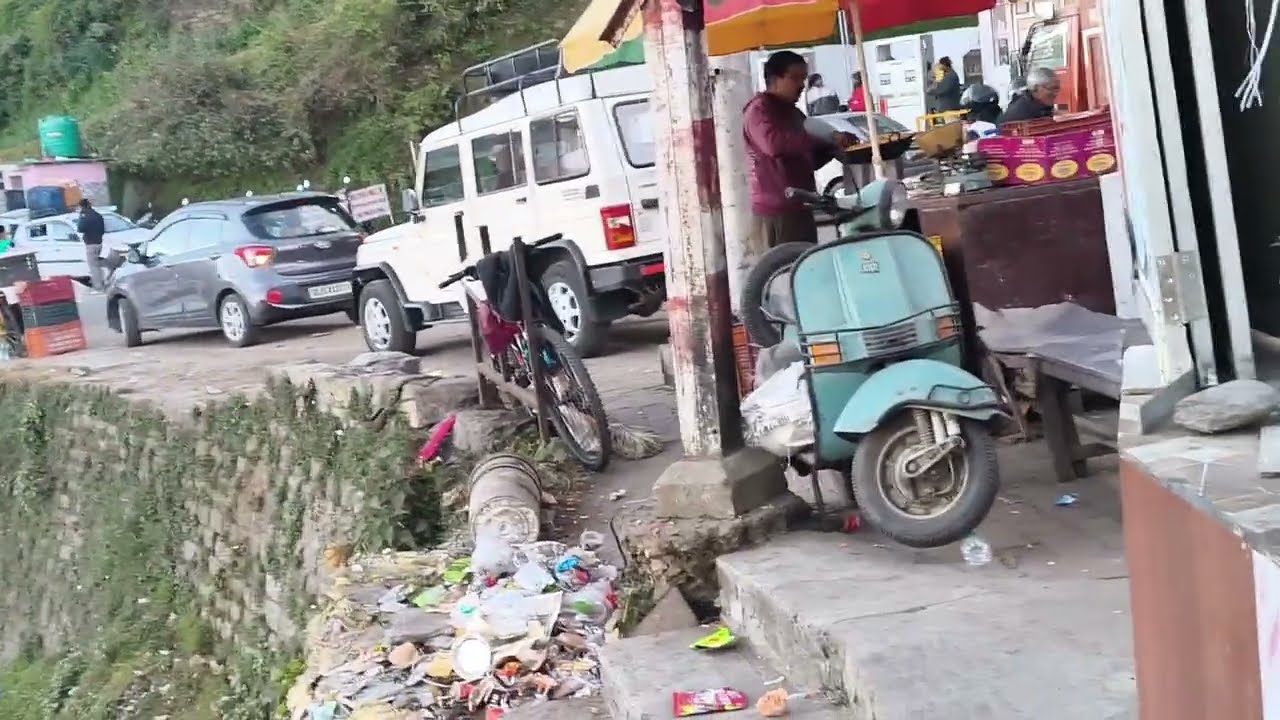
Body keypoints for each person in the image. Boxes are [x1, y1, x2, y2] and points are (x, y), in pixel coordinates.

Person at [744, 51, 857, 253]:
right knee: (783, 275)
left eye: (803, 79)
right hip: (776, 213)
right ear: (774, 79)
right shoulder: (760, 110)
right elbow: (774, 145)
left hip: (801, 207)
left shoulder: (794, 113)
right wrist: (826, 138)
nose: (802, 85)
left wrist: (832, 149)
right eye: (795, 78)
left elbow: (806, 160)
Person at [76, 199, 106, 292]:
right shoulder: (97, 215)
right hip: (99, 243)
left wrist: (81, 216)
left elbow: (80, 228)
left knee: (93, 266)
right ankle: (101, 282)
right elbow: (102, 230)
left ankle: (98, 286)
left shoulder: (85, 216)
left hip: (90, 243)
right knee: (96, 264)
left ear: (81, 206)